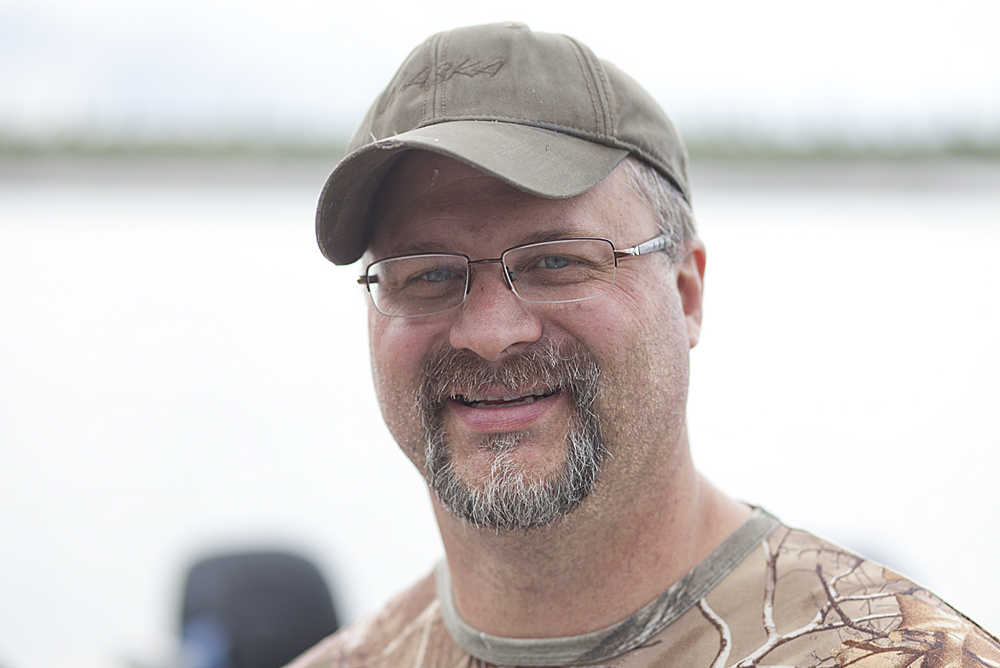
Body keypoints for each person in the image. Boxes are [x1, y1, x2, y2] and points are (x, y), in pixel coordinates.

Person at [290, 22, 1000, 668]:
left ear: (687, 293)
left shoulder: (899, 655)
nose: (490, 332)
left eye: (556, 261)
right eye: (428, 275)